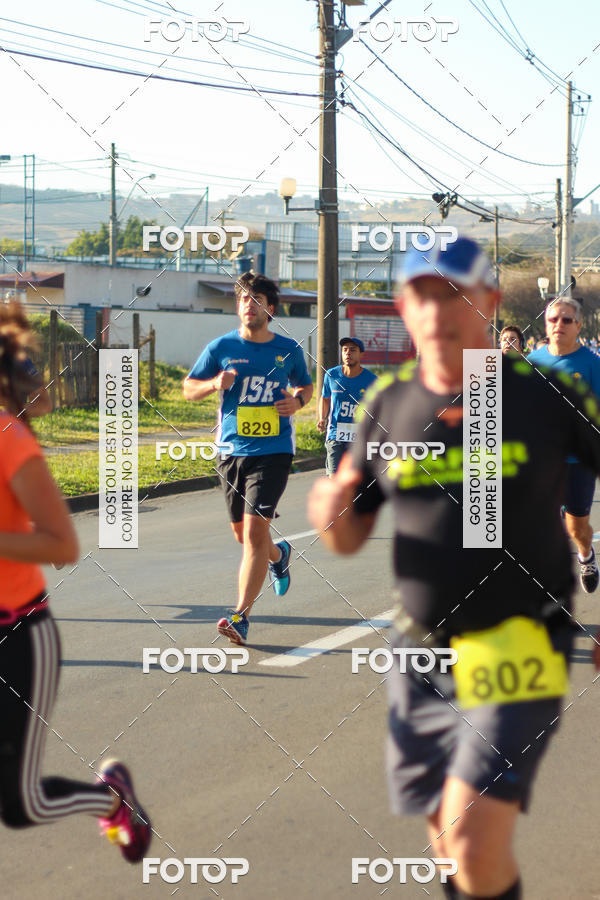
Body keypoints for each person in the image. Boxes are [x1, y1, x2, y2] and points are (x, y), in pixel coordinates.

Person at [308, 235, 600, 900]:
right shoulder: (390, 402)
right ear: (403, 308)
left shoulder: (543, 394)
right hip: (420, 652)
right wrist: (331, 506)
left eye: (452, 294)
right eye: (421, 295)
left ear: (488, 301)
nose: (436, 311)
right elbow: (349, 535)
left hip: (520, 643)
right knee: (448, 844)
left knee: (468, 835)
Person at [0, 303, 150, 862]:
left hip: (18, 637)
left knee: (21, 804)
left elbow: (62, 545)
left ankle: (113, 802)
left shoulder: (9, 438)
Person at [184, 272, 313, 645]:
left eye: (257, 300)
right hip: (231, 452)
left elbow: (306, 385)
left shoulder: (287, 349)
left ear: (270, 309)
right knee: (244, 536)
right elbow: (189, 388)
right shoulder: (221, 347)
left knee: (255, 532)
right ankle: (279, 555)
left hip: (274, 452)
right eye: (243, 299)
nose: (249, 305)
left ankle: (240, 617)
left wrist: (298, 401)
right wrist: (213, 383)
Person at [528, 298, 600, 593]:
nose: (559, 325)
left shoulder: (593, 365)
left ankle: (586, 555)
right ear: (546, 325)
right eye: (553, 319)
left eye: (566, 320)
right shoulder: (532, 361)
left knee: (576, 529)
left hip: (578, 462)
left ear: (578, 325)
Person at [317, 337, 377, 475]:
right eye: (345, 350)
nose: (348, 353)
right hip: (335, 434)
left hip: (360, 436)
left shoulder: (372, 380)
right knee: (334, 477)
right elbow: (325, 398)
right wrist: (322, 418)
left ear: (361, 355)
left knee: (355, 479)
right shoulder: (331, 375)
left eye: (353, 350)